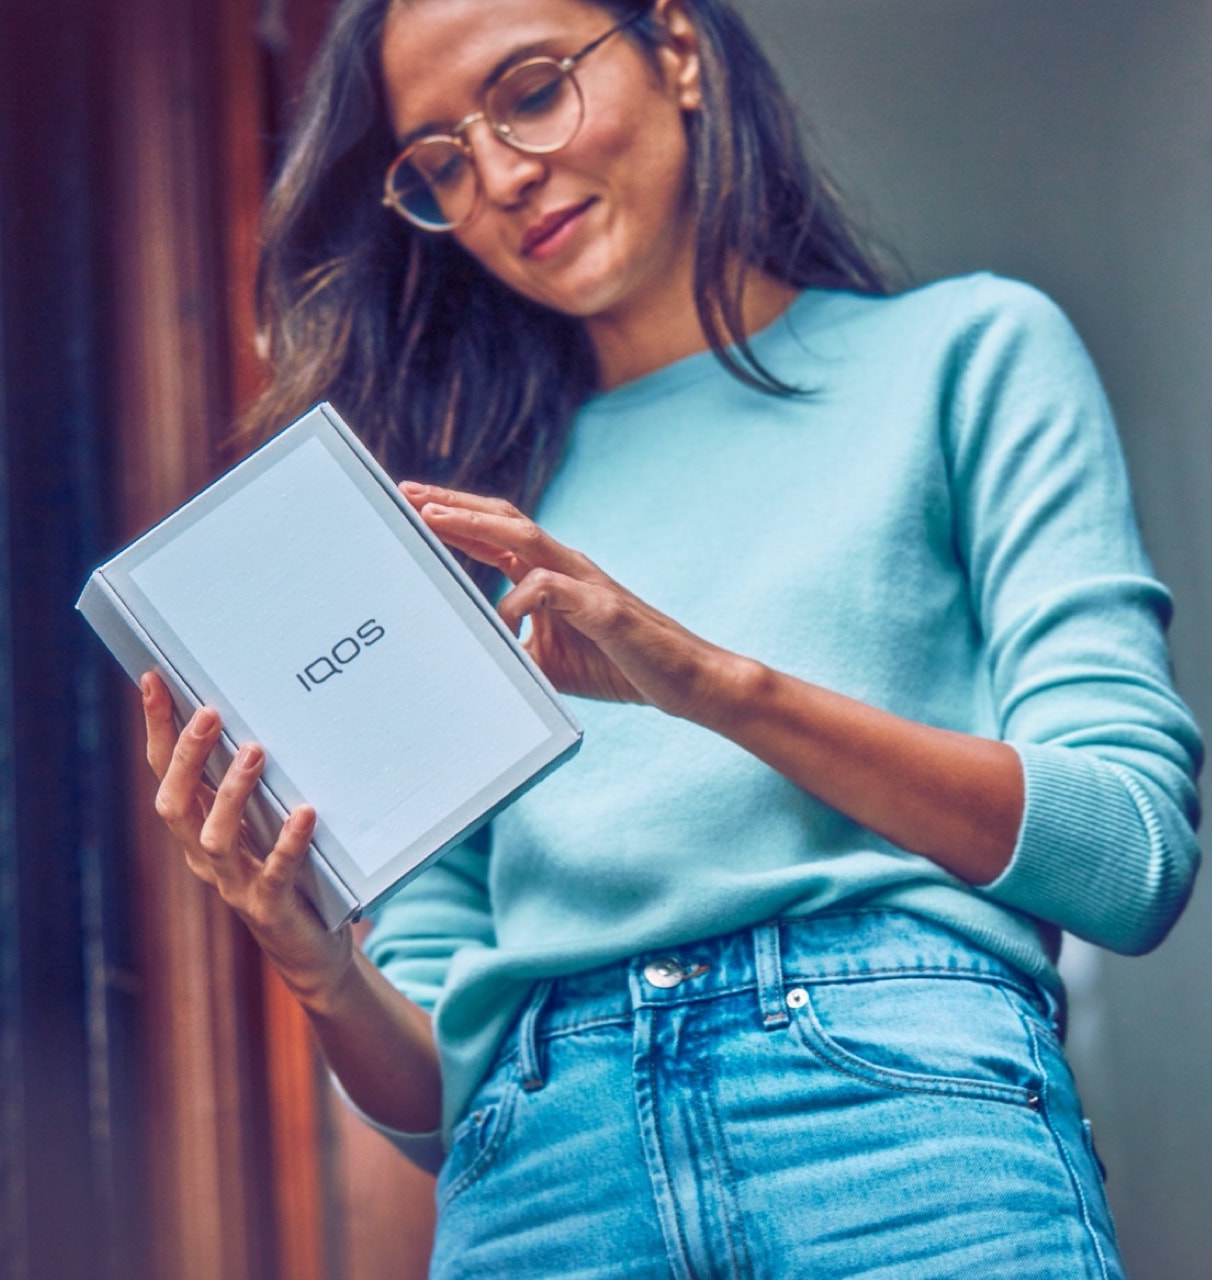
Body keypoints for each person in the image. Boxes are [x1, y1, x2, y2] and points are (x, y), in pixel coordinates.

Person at [140, 0, 1202, 1275]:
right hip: (543, 1186)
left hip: (900, 1134)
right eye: (439, 162)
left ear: (679, 54)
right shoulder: (451, 512)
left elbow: (1129, 853)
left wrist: (704, 682)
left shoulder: (965, 356)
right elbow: (437, 1094)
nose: (501, 176)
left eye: (530, 91)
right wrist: (316, 966)